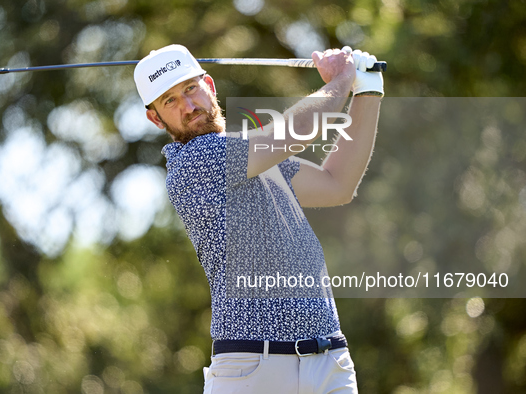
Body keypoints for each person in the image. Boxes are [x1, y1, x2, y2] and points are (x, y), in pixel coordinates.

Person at [133, 44, 383, 394]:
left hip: (328, 361)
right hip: (252, 368)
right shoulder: (193, 163)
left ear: (209, 86)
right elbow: (294, 132)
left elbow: (336, 185)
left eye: (190, 89)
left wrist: (368, 90)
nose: (188, 107)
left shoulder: (251, 159)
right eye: (170, 101)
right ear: (155, 119)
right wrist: (342, 79)